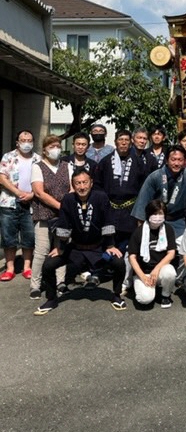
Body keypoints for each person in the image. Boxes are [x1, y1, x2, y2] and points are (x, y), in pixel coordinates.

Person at [33, 169, 126, 315]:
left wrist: (110, 245)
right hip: (75, 248)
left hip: (98, 248)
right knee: (49, 264)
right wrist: (60, 248)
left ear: (91, 183)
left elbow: (108, 221)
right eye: (78, 183)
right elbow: (63, 226)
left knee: (119, 262)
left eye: (85, 182)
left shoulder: (101, 197)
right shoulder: (68, 200)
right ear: (73, 185)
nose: (82, 187)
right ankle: (51, 299)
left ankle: (116, 295)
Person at [94, 130, 146, 294]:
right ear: (115, 142)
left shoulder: (138, 162)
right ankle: (101, 273)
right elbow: (97, 186)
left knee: (130, 245)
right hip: (110, 208)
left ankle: (126, 279)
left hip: (131, 209)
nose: (123, 143)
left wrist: (141, 212)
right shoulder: (105, 162)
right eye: (120, 140)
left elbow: (144, 188)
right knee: (108, 242)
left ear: (130, 142)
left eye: (126, 140)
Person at [131, 145, 186, 243]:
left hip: (179, 220)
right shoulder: (155, 177)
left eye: (180, 160)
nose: (177, 163)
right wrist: (142, 234)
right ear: (167, 160)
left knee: (182, 249)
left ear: (185, 161)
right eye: (173, 159)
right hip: (156, 219)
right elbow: (142, 205)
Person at [30, 135, 71, 300]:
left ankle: (60, 281)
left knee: (61, 248)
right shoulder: (37, 167)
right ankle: (35, 284)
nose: (56, 149)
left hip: (64, 216)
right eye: (52, 146)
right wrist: (60, 206)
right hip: (44, 214)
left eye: (58, 146)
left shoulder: (67, 166)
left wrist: (67, 207)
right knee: (41, 251)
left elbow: (73, 187)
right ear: (45, 150)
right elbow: (39, 192)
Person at [0, 130, 41, 281]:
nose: (26, 143)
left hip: (31, 203)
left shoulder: (38, 159)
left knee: (29, 236)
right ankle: (10, 268)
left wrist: (31, 195)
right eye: (23, 140)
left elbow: (42, 182)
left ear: (33, 142)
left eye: (29, 140)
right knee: (8, 237)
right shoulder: (8, 157)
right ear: (17, 142)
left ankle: (27, 267)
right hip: (9, 202)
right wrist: (18, 193)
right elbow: (2, 178)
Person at [128, 199, 176, 308]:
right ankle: (145, 288)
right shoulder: (139, 231)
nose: (157, 217)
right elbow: (132, 257)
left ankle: (165, 295)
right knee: (145, 299)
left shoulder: (168, 229)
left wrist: (157, 269)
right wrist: (143, 277)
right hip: (143, 272)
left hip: (159, 270)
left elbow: (171, 253)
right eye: (154, 213)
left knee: (170, 273)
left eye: (160, 213)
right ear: (148, 214)